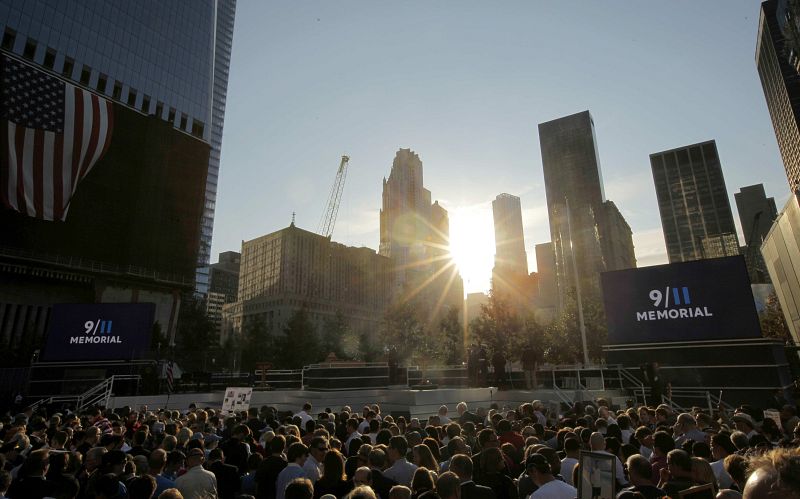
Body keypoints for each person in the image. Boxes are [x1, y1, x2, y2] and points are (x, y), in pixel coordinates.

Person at [256, 434, 288, 499]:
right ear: (283, 447)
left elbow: (257, 482)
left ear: (271, 447)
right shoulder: (285, 465)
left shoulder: (264, 463)